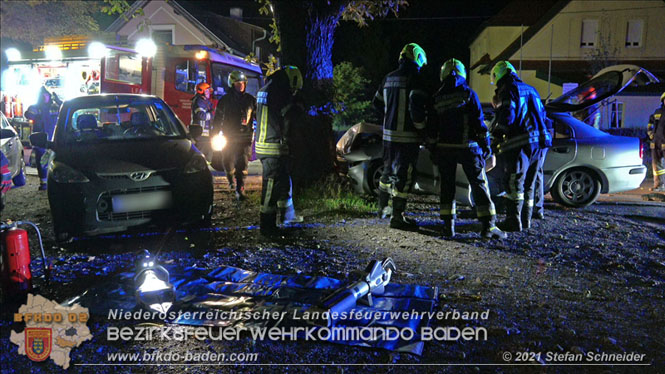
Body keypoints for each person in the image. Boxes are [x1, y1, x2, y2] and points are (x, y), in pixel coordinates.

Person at [430, 59, 506, 239]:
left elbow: (432, 127)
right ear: (463, 74)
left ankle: (449, 227)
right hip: (468, 148)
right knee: (479, 184)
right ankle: (489, 227)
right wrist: (486, 145)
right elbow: (478, 123)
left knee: (447, 187)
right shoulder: (468, 94)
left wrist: (433, 148)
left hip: (445, 149)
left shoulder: (437, 97)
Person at [372, 43, 430, 231]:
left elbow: (377, 103)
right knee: (404, 178)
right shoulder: (416, 78)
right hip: (407, 139)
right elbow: (417, 113)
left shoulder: (388, 78)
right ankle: (397, 217)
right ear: (418, 59)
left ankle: (382, 209)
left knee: (387, 173)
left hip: (388, 138)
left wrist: (389, 117)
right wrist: (423, 132)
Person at [490, 61, 551, 232]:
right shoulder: (532, 89)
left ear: (498, 75)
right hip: (540, 143)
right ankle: (526, 220)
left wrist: (495, 137)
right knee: (530, 184)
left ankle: (513, 221)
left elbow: (507, 116)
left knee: (514, 182)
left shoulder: (508, 89)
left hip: (521, 143)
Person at [255, 66, 305, 236]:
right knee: (271, 187)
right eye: (293, 89)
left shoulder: (265, 89)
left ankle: (287, 215)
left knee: (284, 180)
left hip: (268, 143)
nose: (293, 92)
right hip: (272, 145)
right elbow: (288, 117)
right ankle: (267, 226)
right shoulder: (279, 92)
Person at [213, 70, 257, 200]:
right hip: (229, 136)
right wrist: (214, 134)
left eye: (243, 83)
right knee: (228, 161)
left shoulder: (250, 100)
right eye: (238, 83)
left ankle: (240, 188)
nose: (241, 86)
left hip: (245, 138)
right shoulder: (225, 100)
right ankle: (231, 180)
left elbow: (258, 116)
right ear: (232, 84)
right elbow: (218, 119)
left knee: (242, 164)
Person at [25, 86, 60, 190]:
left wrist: (58, 101)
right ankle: (43, 183)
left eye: (47, 95)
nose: (45, 97)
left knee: (56, 161)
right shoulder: (36, 108)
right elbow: (28, 114)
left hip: (54, 138)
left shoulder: (54, 107)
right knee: (42, 161)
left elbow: (64, 109)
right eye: (43, 95)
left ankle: (55, 182)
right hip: (40, 139)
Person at [191, 82, 214, 158]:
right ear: (202, 91)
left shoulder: (205, 101)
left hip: (204, 134)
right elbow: (201, 115)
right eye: (207, 91)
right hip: (200, 133)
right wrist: (211, 115)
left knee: (207, 153)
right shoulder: (199, 101)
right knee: (201, 154)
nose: (209, 93)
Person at [647, 92, 665, 192]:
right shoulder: (657, 111)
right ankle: (659, 185)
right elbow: (650, 123)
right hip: (656, 143)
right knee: (657, 166)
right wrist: (650, 134)